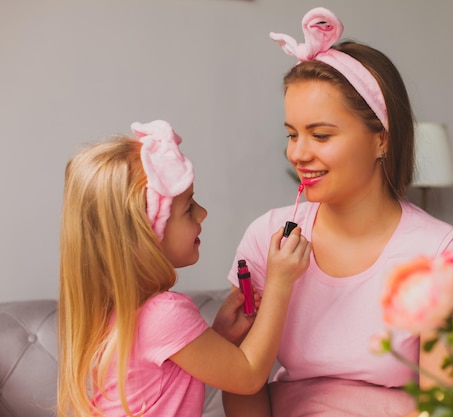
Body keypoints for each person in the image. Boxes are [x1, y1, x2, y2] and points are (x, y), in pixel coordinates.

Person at [221, 7, 453, 417]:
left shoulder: (441, 254)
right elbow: (242, 380)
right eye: (292, 134)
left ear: (381, 139)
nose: (298, 154)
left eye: (320, 135)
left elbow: (445, 405)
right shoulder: (266, 238)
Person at [56, 120, 311, 417]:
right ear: (144, 235)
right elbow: (249, 377)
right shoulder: (165, 313)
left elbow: (169, 367)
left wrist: (220, 337)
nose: (202, 213)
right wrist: (280, 282)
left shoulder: (115, 312)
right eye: (188, 207)